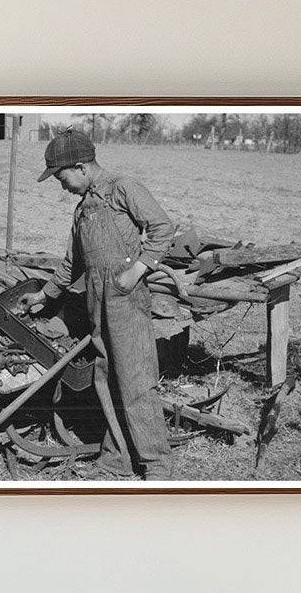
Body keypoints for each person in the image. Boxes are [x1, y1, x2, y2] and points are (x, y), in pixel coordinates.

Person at [20, 128, 190, 480]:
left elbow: (162, 227)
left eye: (61, 176)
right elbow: (71, 264)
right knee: (108, 379)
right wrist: (43, 295)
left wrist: (137, 271)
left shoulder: (123, 188)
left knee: (136, 380)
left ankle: (157, 466)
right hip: (98, 301)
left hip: (125, 298)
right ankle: (117, 460)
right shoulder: (83, 209)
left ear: (80, 166)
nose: (61, 185)